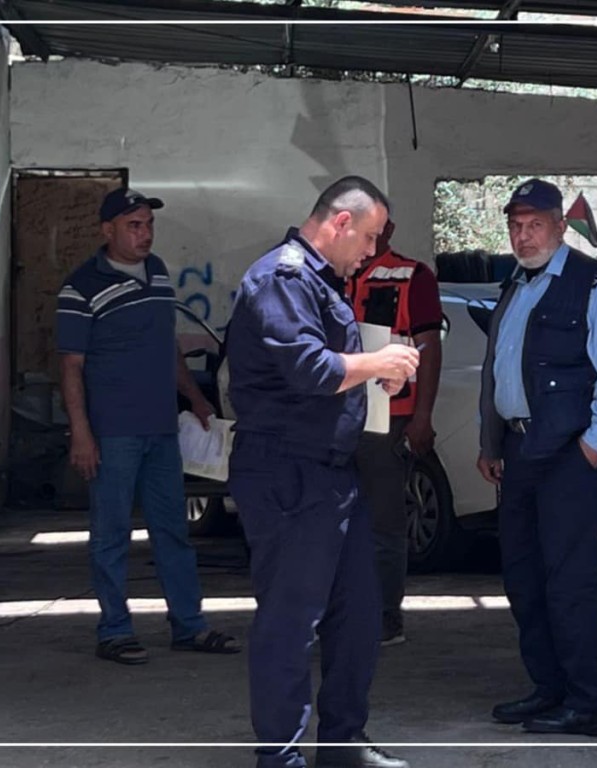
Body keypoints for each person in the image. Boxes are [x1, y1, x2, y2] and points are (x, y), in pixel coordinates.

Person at [224, 176, 417, 768]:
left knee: (357, 614)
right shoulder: (282, 279)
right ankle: (280, 756)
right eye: (369, 237)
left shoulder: (320, 281)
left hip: (332, 472)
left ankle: (343, 744)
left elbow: (335, 367)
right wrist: (376, 362)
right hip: (287, 471)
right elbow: (310, 370)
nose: (371, 251)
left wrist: (374, 375)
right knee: (291, 620)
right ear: (340, 222)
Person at [56, 187, 244, 665]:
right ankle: (115, 631)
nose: (145, 234)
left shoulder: (157, 273)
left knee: (172, 532)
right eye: (134, 225)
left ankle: (189, 625)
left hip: (162, 428)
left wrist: (196, 398)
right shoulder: (81, 287)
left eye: (149, 225)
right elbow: (71, 366)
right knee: (112, 533)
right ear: (108, 230)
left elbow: (167, 345)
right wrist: (81, 432)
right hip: (113, 432)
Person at [477, 178, 597, 736]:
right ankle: (550, 689)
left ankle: (589, 704)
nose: (523, 236)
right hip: (520, 449)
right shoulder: (515, 284)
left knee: (570, 582)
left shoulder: (594, 284)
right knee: (524, 577)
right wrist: (491, 443)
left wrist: (594, 445)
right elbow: (498, 369)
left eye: (535, 225)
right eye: (515, 227)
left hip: (572, 453)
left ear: (560, 227)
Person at [346, 219, 444, 647]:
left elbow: (430, 348)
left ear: (388, 228)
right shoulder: (337, 273)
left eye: (374, 227)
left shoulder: (412, 276)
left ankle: (387, 615)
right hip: (342, 415)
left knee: (384, 521)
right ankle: (347, 611)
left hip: (390, 415)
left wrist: (423, 417)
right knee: (340, 521)